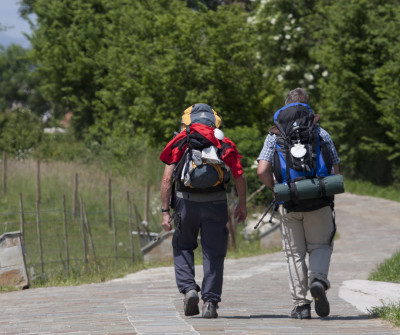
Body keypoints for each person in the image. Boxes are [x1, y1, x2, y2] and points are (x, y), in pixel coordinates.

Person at [257, 88, 340, 319]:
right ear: (307, 106)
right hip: (319, 199)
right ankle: (318, 281)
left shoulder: (275, 134)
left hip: (289, 201)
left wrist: (276, 189)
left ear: (285, 106)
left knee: (294, 253)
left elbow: (262, 169)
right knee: (321, 246)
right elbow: (334, 168)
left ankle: (301, 306)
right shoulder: (320, 132)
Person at [160, 103, 247, 319]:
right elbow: (239, 176)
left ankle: (189, 289)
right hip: (216, 204)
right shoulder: (223, 143)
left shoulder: (181, 140)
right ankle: (210, 302)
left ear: (186, 122)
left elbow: (166, 179)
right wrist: (242, 204)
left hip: (185, 203)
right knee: (214, 252)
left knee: (182, 246)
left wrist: (164, 212)